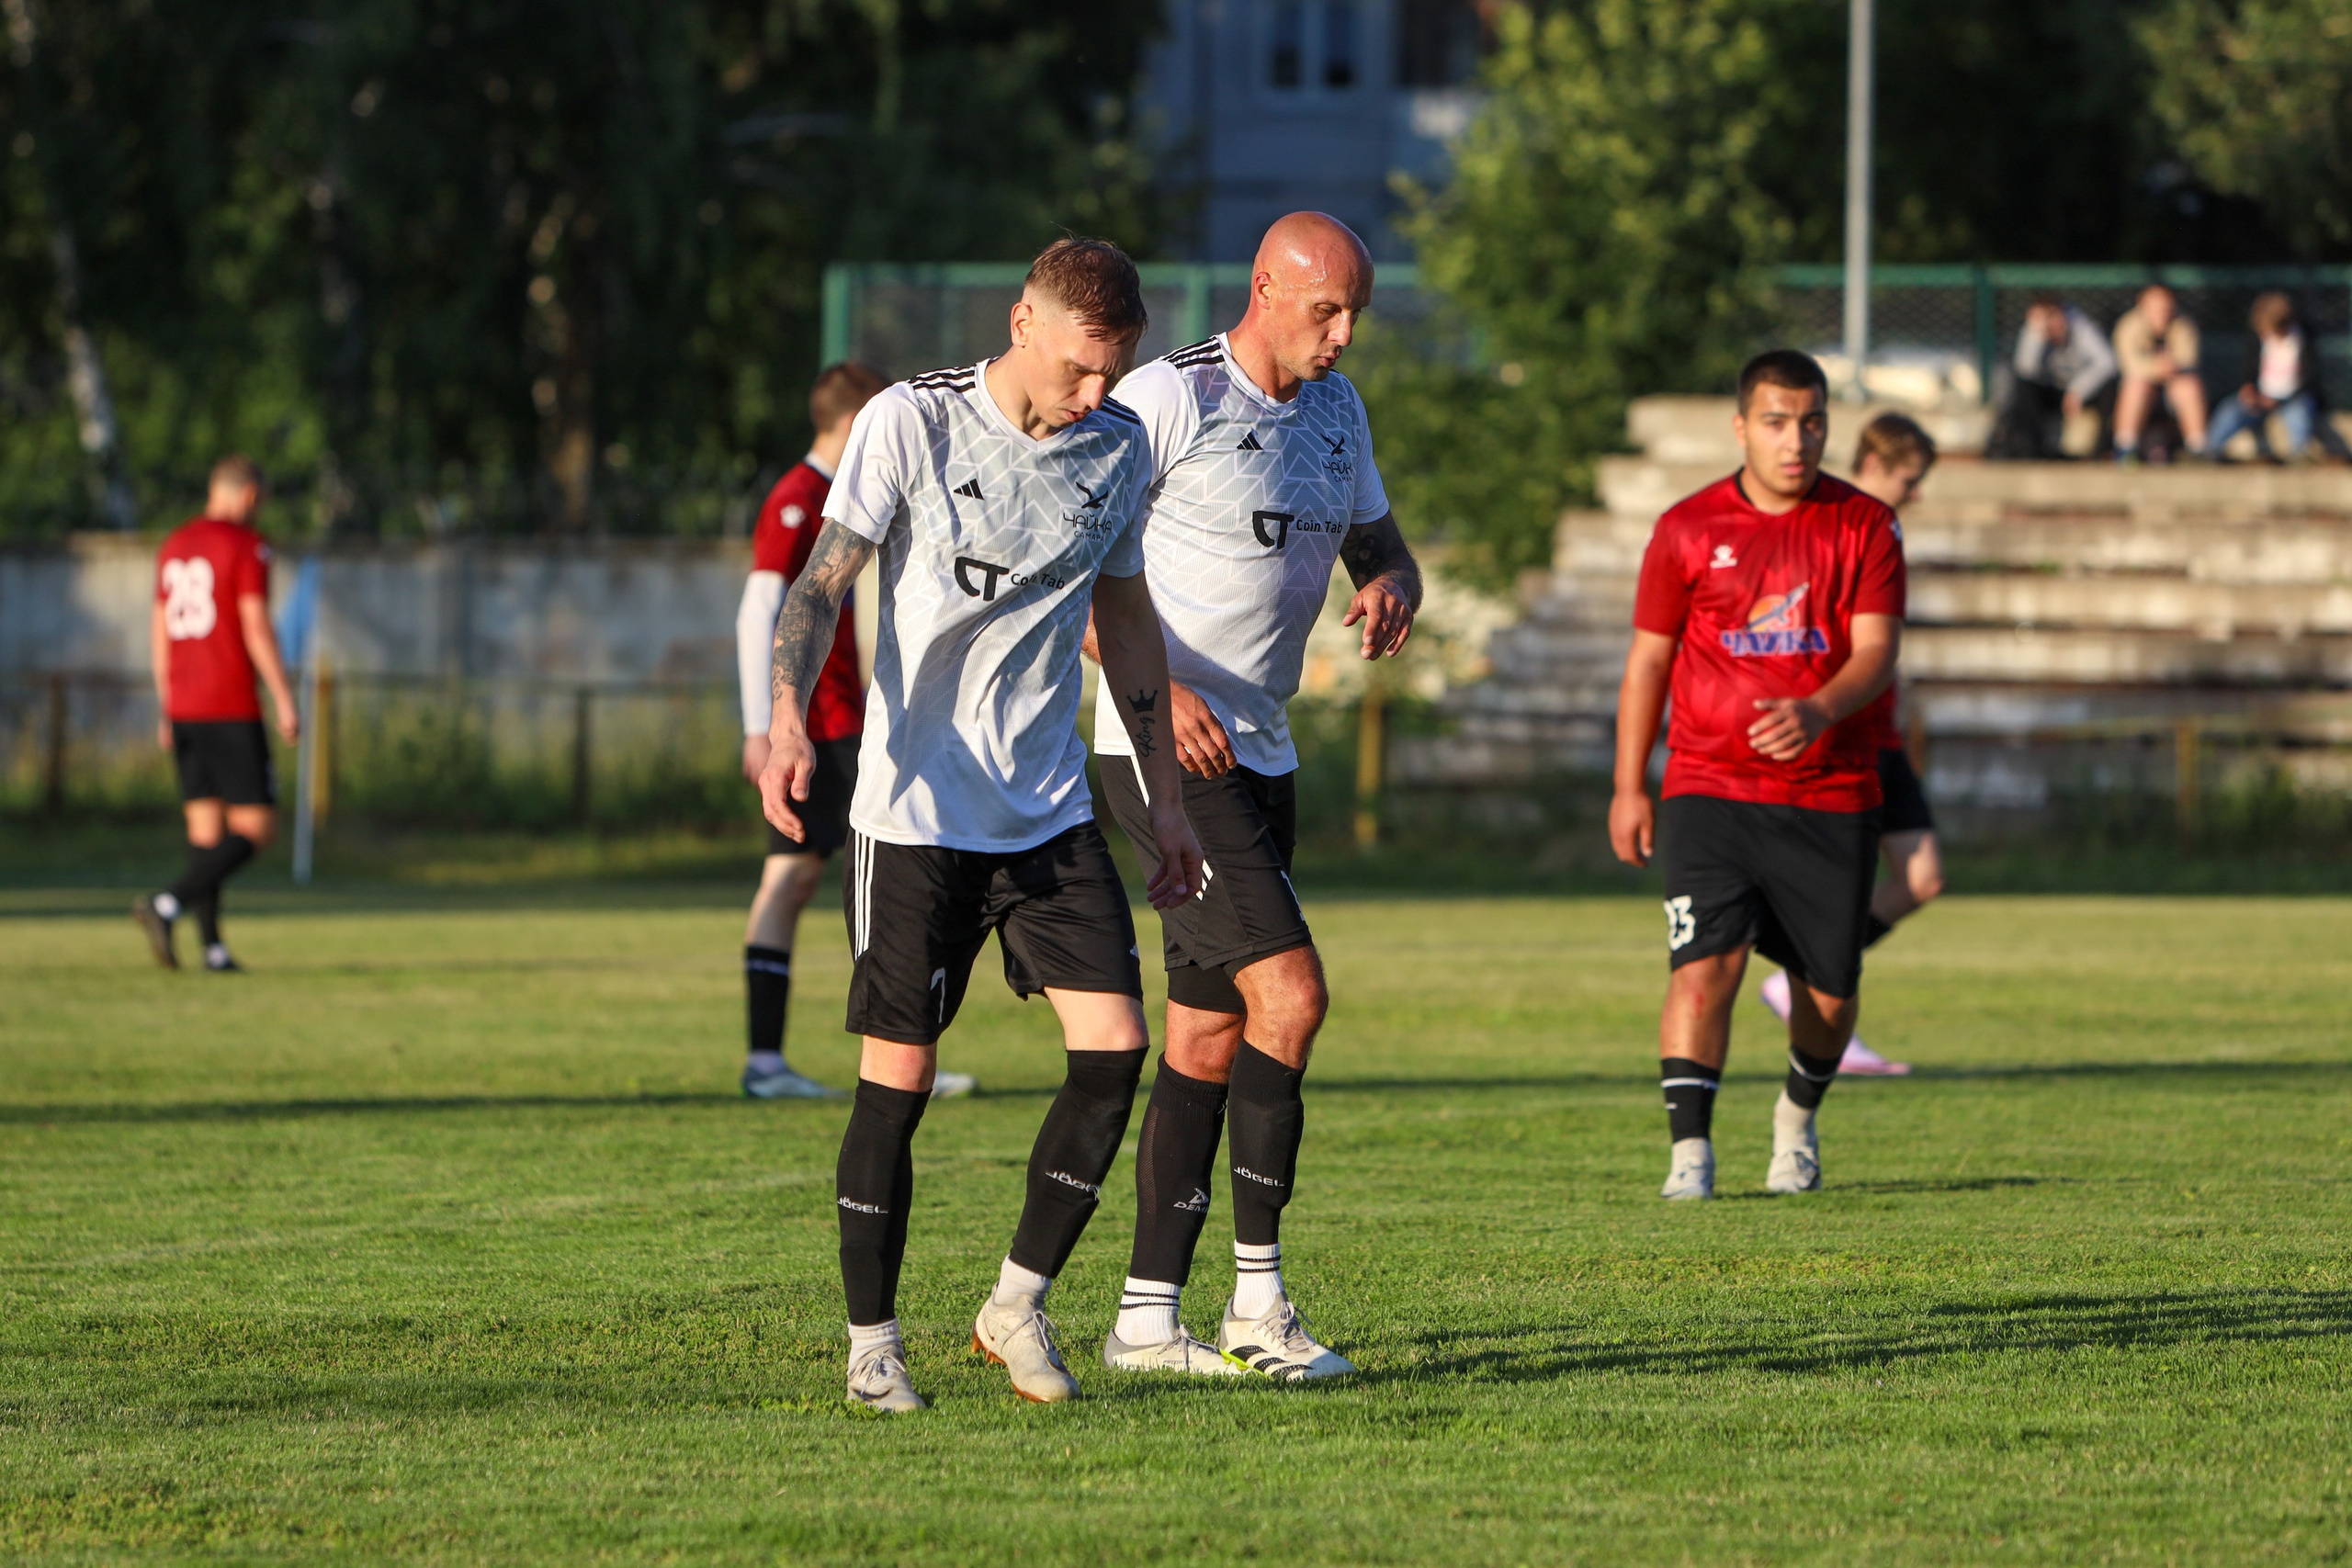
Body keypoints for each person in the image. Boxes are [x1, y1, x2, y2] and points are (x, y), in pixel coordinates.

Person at [756, 237, 1205, 1414]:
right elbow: (820, 585)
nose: (1095, 394)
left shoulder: (1117, 447)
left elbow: (1130, 625)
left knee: (1114, 1051)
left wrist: (1164, 802)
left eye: (1115, 371)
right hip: (914, 812)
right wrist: (787, 720)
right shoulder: (911, 422)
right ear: (1022, 325)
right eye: (1078, 367)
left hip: (1047, 807)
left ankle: (1015, 1304)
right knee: (900, 1076)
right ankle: (872, 1347)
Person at [1086, 211, 1420, 1382]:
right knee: (1292, 995)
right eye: (1325, 310)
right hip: (1160, 751)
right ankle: (1257, 1308)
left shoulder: (1338, 411)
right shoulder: (1169, 399)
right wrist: (1159, 688)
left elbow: (1382, 546)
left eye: (1355, 314)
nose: (1343, 335)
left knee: (1210, 1030)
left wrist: (1393, 585)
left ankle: (1144, 1321)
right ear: (1264, 289)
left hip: (1261, 756)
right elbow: (1068, 569)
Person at [1609, 350, 1905, 1201]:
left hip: (1831, 791)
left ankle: (1795, 1119)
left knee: (1831, 994)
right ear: (1741, 427)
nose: (1796, 440)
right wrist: (1629, 785)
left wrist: (1818, 709)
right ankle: (1690, 1155)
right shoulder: (1686, 527)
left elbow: (1878, 651)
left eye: (1812, 422)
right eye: (1776, 421)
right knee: (1703, 969)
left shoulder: (1866, 524)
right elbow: (1649, 662)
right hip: (1709, 785)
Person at [734, 362, 961, 1101]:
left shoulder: (842, 493)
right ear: (859, 419)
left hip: (848, 721)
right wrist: (762, 726)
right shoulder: (797, 498)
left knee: (883, 871)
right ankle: (767, 1060)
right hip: (815, 727)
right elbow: (757, 612)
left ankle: (903, 1046)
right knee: (797, 878)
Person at [1758, 412, 1942, 1077]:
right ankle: (1811, 1000)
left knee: (1922, 878)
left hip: (1881, 732)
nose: (1916, 493)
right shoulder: (1835, 524)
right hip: (1842, 734)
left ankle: (1795, 979)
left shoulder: (1881, 530)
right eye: (1908, 479)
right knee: (1835, 890)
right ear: (1872, 464)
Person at [132, 456, 300, 973]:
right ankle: (167, 903)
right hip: (229, 703)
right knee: (257, 828)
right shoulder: (247, 545)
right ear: (249, 495)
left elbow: (159, 628)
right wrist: (283, 696)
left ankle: (213, 949)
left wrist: (167, 702)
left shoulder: (175, 544)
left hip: (184, 706)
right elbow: (255, 626)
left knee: (206, 834)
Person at [2206, 292, 2352, 465]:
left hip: (2293, 397)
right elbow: (2250, 370)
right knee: (2230, 410)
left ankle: (2299, 454)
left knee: (2299, 414)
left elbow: (2309, 378)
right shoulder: (2258, 338)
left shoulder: (2303, 337)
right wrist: (2249, 388)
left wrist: (2280, 399)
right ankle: (2209, 450)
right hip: (2261, 397)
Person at [1987, 297, 2117, 460]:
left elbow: (2107, 363)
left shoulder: (2081, 327)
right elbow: (2025, 369)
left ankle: (2101, 451)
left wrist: (2078, 390)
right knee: (2022, 387)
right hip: (2051, 391)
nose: (2052, 323)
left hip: (2081, 392)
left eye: (2053, 315)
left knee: (2110, 386)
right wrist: (2037, 335)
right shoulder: (2033, 332)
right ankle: (2033, 450)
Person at [2110, 285, 2209, 463]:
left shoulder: (2183, 324)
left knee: (2189, 384)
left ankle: (2197, 448)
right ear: (2143, 307)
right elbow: (2129, 365)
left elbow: (2189, 359)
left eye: (2167, 308)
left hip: (2172, 391)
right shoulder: (2128, 326)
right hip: (2143, 393)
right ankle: (2125, 448)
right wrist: (2157, 368)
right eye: (2158, 309)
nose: (2164, 313)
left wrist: (2170, 367)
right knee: (2135, 385)